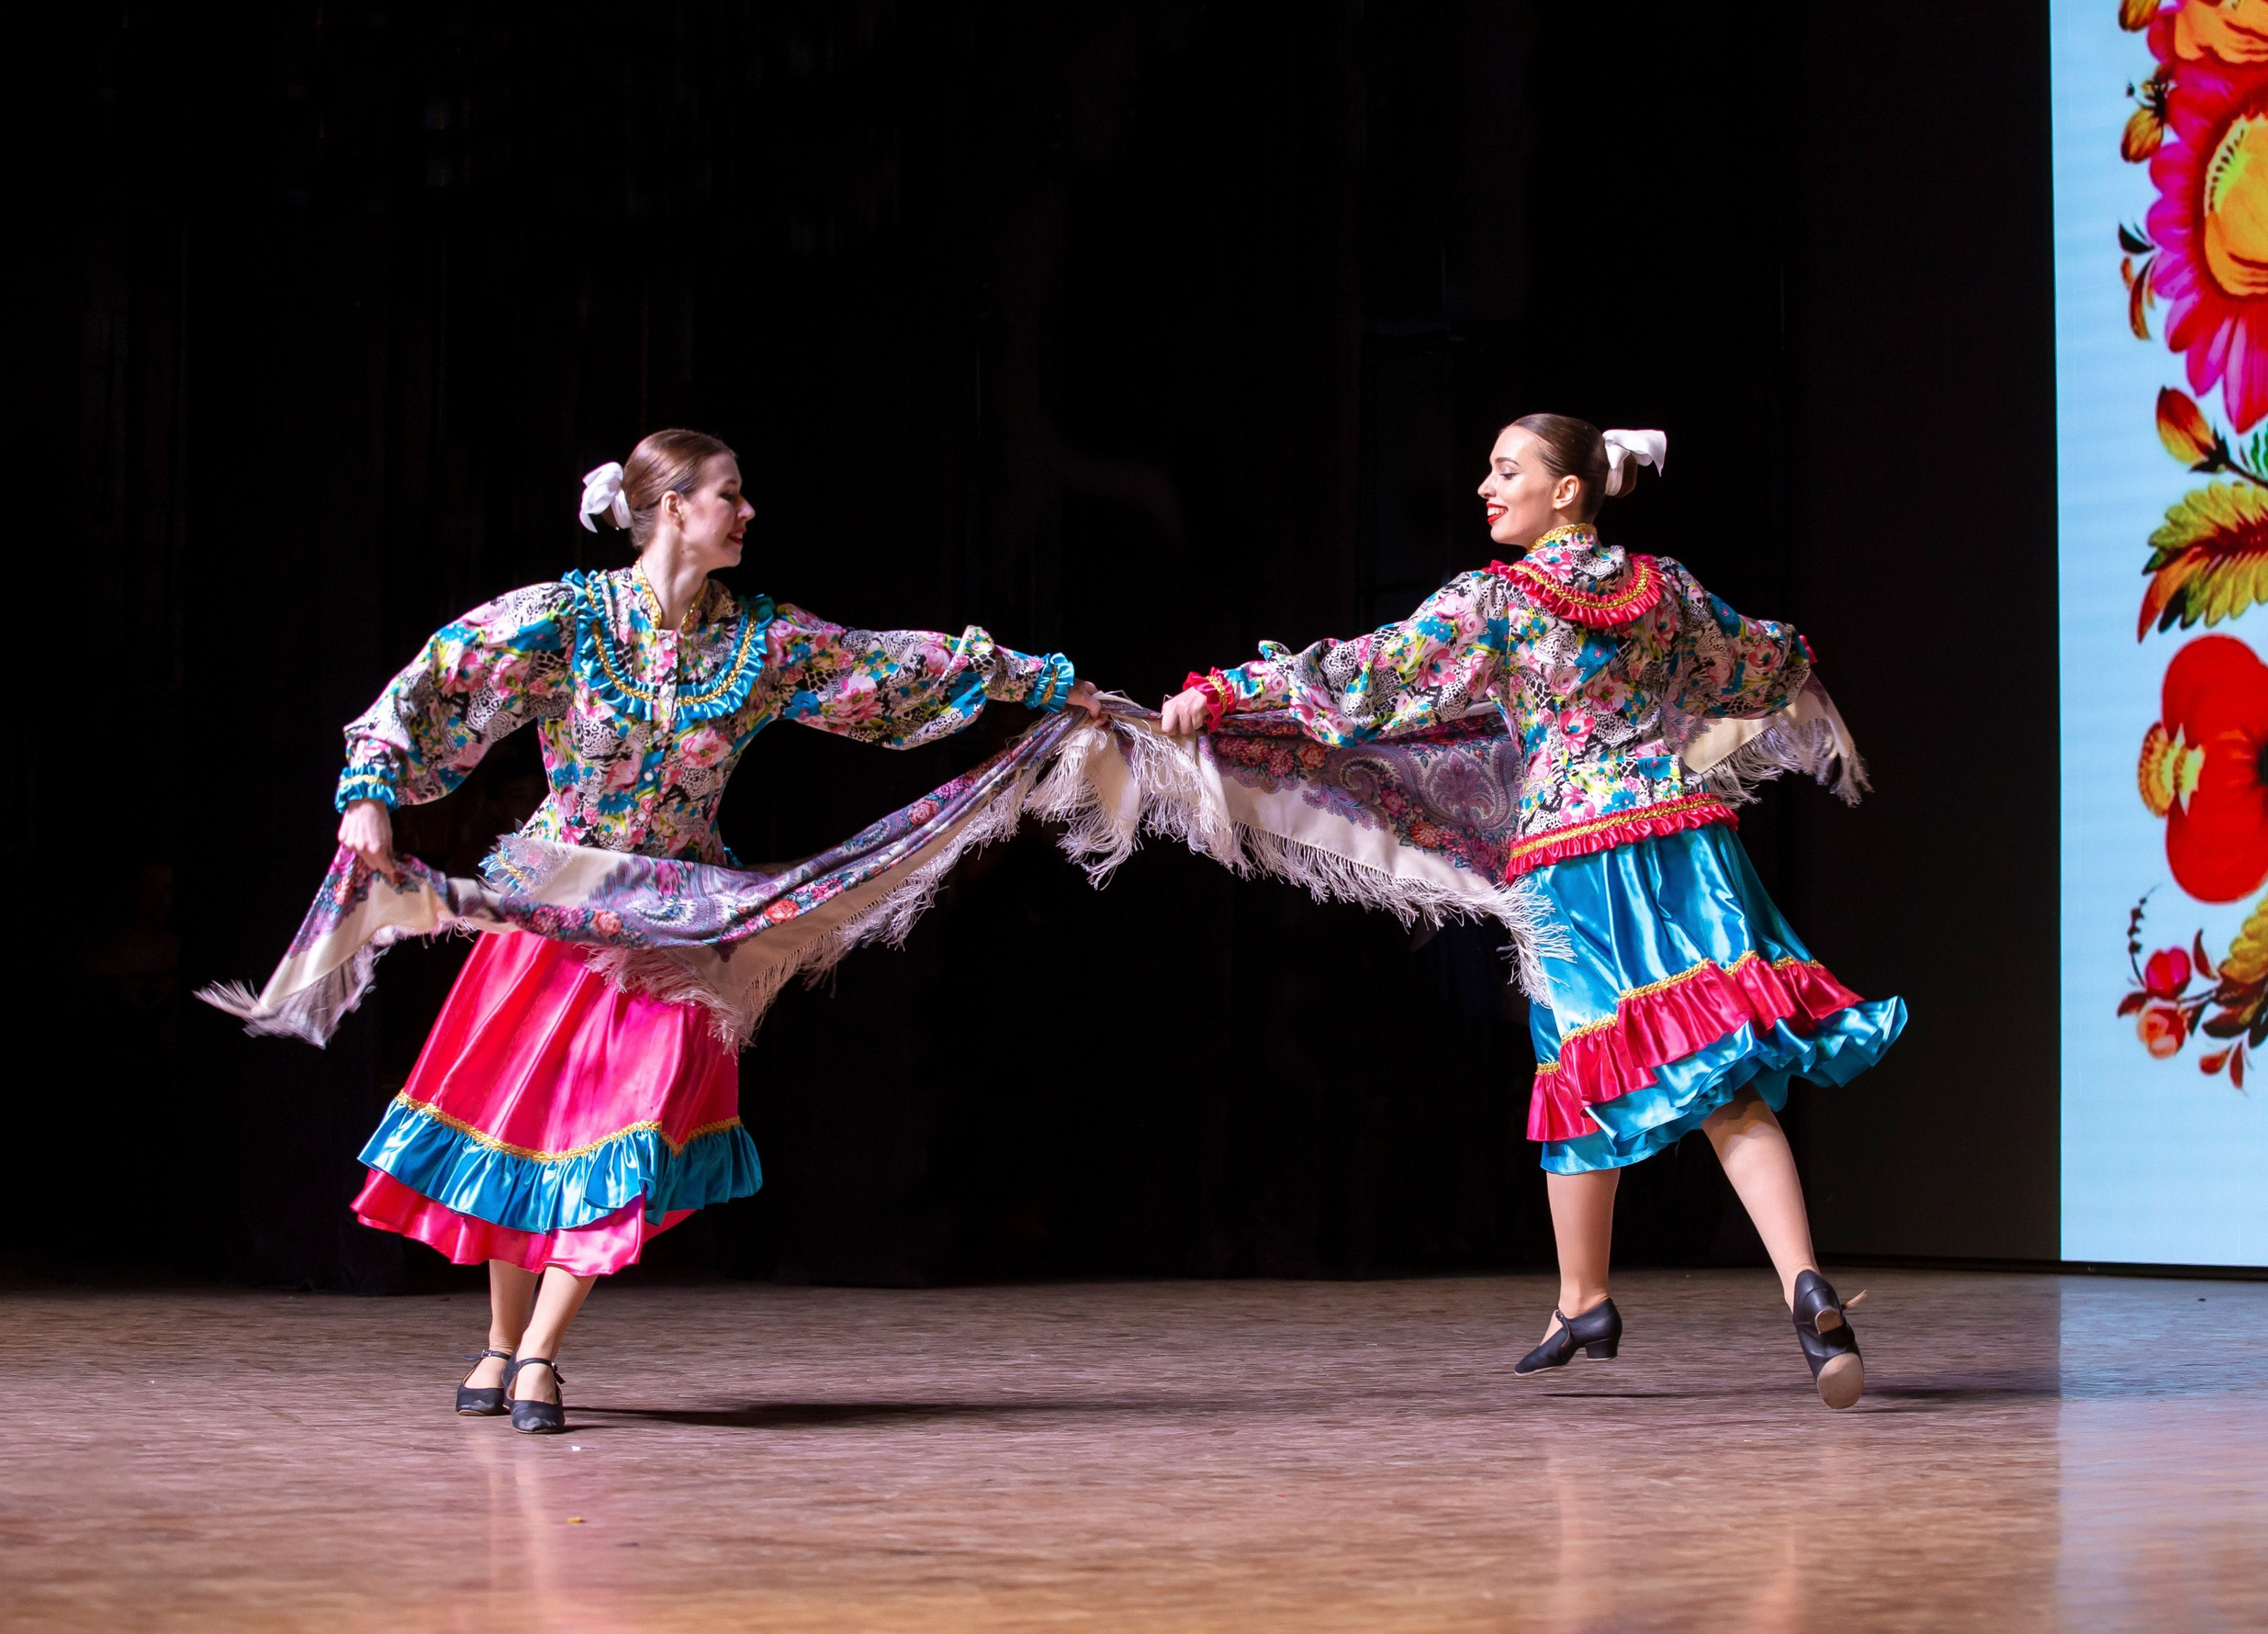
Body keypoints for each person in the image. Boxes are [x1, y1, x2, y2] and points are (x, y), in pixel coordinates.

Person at [331, 429, 1098, 1432]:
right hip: (558, 905)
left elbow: (885, 667)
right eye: (729, 494)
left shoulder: (760, 641)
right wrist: (368, 791)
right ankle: (499, 1346)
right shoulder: (568, 619)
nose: (746, 512)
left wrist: (1040, 683)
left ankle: (540, 1358)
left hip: (676, 924)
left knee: (634, 1130)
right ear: (671, 505)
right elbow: (442, 674)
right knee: (528, 1128)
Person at [1159, 414, 1903, 1408]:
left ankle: (1584, 1294)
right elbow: (1763, 660)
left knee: (1583, 1064)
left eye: (1505, 468)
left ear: (1566, 491)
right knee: (1725, 1075)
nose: (1482, 485)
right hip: (1687, 837)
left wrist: (1229, 692)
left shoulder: (1492, 600)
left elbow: (1371, 673)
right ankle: (1788, 1284)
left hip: (1575, 857)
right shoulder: (1666, 587)